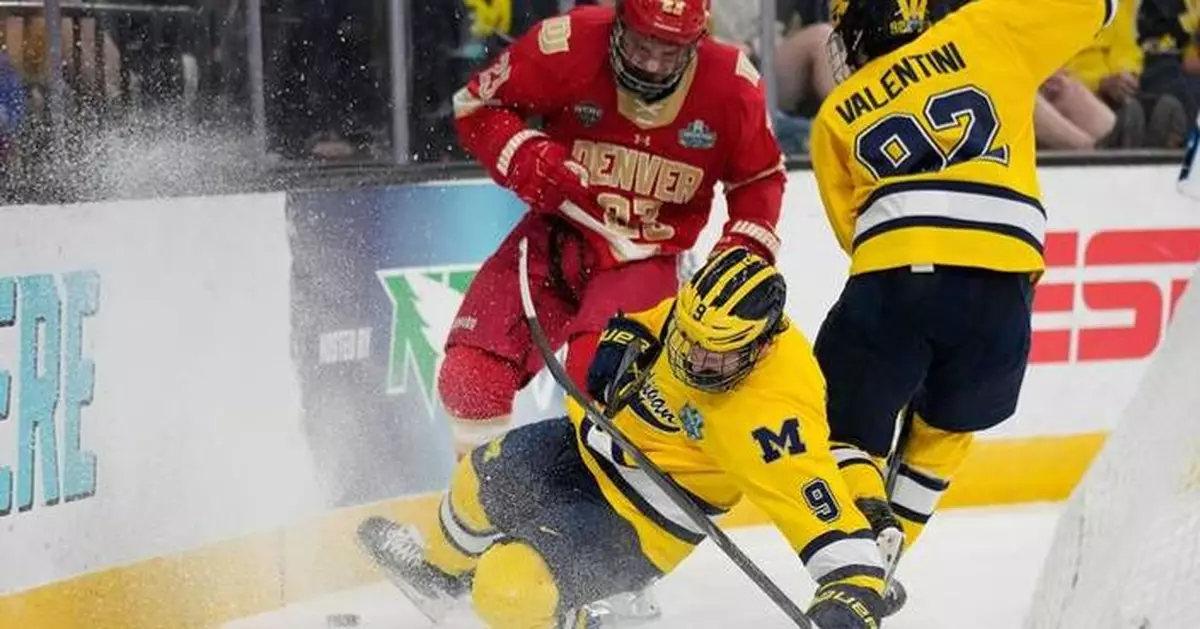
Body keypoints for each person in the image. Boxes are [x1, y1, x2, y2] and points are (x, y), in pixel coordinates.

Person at [358, 248, 892, 629]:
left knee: (508, 590)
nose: (693, 359)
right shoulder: (700, 318)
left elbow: (822, 515)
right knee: (480, 477)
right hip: (593, 444)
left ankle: (570, 619)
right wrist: (626, 335)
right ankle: (443, 580)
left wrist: (853, 590)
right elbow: (656, 320)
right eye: (691, 340)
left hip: (640, 520)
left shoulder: (774, 415)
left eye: (716, 354)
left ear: (762, 344)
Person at [807, 0, 1114, 578]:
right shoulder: (984, 27)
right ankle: (882, 570)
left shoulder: (837, 113)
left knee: (841, 423)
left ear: (851, 32)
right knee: (947, 431)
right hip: (1002, 287)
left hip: (895, 272)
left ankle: (863, 526)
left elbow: (854, 233)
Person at [436, 0, 786, 458]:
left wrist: (740, 252)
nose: (654, 66)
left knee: (601, 385)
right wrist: (527, 157)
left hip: (645, 257)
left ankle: (589, 514)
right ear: (620, 21)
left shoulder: (733, 85)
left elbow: (759, 178)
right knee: (470, 376)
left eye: (672, 51)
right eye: (643, 46)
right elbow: (477, 106)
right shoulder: (566, 44)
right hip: (554, 235)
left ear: (697, 40)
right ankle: (476, 502)